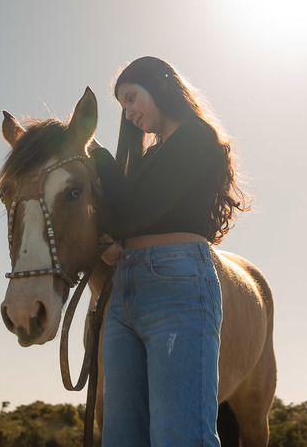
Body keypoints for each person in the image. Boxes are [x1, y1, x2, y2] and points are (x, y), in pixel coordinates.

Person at [89, 56, 250, 447]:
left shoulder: (197, 137)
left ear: (159, 85)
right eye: (123, 106)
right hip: (126, 288)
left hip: (178, 282)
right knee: (121, 438)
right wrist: (118, 247)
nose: (128, 113)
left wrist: (96, 153)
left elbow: (138, 210)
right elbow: (134, 217)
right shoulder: (148, 158)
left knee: (179, 436)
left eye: (131, 98)